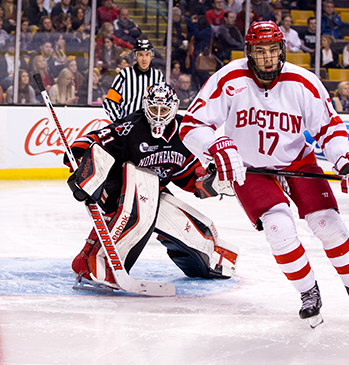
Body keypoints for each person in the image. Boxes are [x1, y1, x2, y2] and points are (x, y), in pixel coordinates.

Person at [180, 21, 349, 327]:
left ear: (282, 50)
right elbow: (192, 125)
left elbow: (329, 128)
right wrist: (216, 145)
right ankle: (308, 293)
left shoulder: (303, 82)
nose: (268, 58)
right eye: (260, 51)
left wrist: (345, 159)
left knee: (330, 224)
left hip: (297, 162)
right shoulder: (230, 78)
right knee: (278, 230)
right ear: (249, 52)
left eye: (273, 50)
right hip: (251, 169)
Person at [65, 82, 239, 289]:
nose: (158, 115)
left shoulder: (184, 133)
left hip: (153, 191)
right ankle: (95, 263)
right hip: (119, 186)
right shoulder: (131, 127)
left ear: (173, 108)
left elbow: (188, 177)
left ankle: (207, 263)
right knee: (139, 213)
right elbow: (92, 142)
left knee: (198, 236)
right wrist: (82, 166)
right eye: (153, 109)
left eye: (163, 109)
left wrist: (209, 182)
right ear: (145, 106)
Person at [103, 38, 164, 121]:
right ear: (135, 56)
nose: (144, 59)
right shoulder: (125, 74)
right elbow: (110, 102)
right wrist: (119, 121)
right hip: (128, 127)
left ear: (151, 56)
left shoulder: (158, 76)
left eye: (147, 54)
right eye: (140, 55)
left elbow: (163, 104)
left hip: (149, 128)